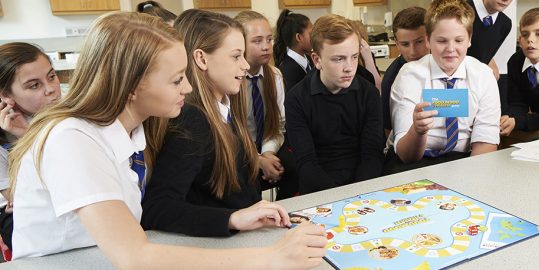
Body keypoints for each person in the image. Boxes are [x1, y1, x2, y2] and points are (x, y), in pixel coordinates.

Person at [7, 11, 326, 268]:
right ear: (132, 85)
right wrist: (270, 258)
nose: (188, 89)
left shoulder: (136, 130)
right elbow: (134, 256)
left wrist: (233, 218)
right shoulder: (72, 139)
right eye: (176, 80)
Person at [141, 10, 292, 237]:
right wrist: (232, 219)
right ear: (201, 59)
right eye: (235, 56)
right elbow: (157, 207)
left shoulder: (227, 109)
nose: (244, 65)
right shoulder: (192, 119)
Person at [387, 0, 500, 173]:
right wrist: (417, 131)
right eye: (441, 41)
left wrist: (472, 180)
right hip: (416, 160)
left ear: (469, 40)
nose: (450, 49)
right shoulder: (410, 75)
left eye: (459, 40)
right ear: (428, 40)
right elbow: (405, 155)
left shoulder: (483, 76)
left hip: (464, 160)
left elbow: (485, 143)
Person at [285, 14, 383, 194]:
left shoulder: (369, 93)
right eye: (339, 59)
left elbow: (372, 156)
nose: (349, 67)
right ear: (317, 60)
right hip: (318, 189)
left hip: (364, 186)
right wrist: (339, 196)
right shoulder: (296, 98)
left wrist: (356, 194)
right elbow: (306, 163)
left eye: (354, 57)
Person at [0, 42, 62, 253]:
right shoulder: (4, 139)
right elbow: (26, 199)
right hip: (22, 220)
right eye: (34, 85)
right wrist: (28, 137)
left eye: (52, 76)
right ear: (6, 96)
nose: (51, 89)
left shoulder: (70, 115)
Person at [233, 11, 302, 199]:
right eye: (257, 41)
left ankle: (285, 214)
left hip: (267, 144)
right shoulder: (230, 79)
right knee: (247, 181)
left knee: (295, 167)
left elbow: (279, 124)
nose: (266, 47)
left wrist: (268, 154)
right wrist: (257, 160)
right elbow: (229, 133)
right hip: (236, 151)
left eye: (269, 39)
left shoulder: (275, 75)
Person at [381, 7, 430, 144]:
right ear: (396, 43)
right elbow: (389, 130)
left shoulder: (449, 63)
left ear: (431, 36)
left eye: (419, 42)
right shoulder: (392, 80)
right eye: (405, 44)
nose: (412, 52)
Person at [466, 0, 512, 80]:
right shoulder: (458, 9)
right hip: (446, 78)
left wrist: (489, 60)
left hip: (476, 81)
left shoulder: (505, 24)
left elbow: (486, 54)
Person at [274, 9, 314, 91]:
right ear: (299, 37)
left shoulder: (309, 58)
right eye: (311, 34)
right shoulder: (287, 71)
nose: (315, 37)